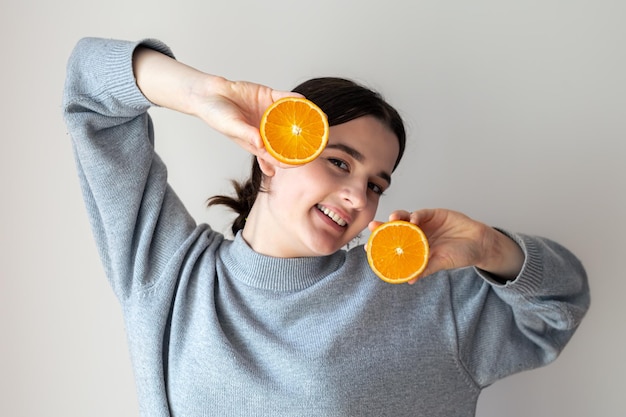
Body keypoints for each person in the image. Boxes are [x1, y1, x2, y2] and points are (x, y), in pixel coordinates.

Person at [62, 37, 590, 417]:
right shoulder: (170, 276)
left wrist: (487, 246)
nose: (358, 196)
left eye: (377, 183)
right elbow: (90, 89)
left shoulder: (418, 294)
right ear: (273, 152)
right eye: (339, 162)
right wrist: (206, 93)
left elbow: (559, 307)